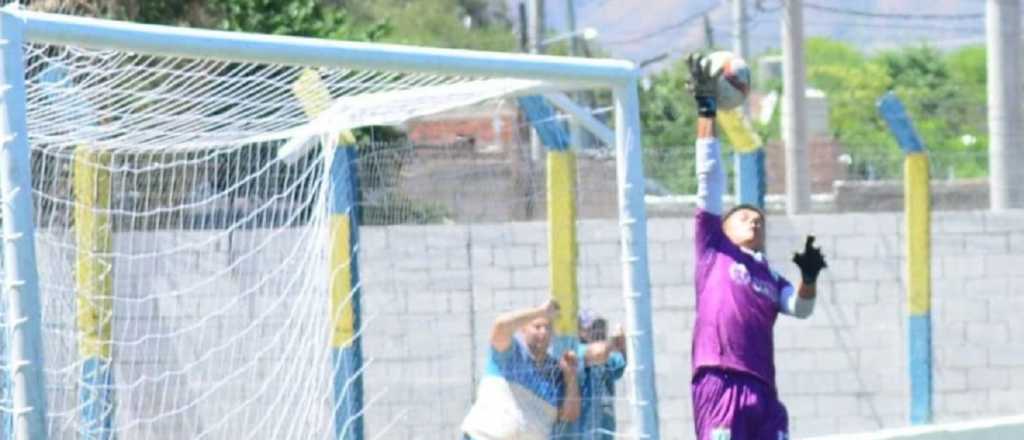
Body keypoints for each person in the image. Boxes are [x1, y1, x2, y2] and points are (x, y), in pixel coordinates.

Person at [685, 52, 829, 440]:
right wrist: (706, 106)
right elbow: (709, 176)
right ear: (723, 227)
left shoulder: (770, 275)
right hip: (720, 381)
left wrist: (809, 277)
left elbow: (800, 308)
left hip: (764, 392)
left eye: (760, 220)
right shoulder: (713, 249)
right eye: (744, 216)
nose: (755, 219)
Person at [461, 299, 581, 440]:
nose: (543, 332)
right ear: (523, 329)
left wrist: (570, 377)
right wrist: (541, 312)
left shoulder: (556, 373)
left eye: (548, 328)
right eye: (537, 326)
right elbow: (500, 325)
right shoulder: (509, 353)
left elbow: (570, 415)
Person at [573, 311, 626, 440]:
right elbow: (597, 353)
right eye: (593, 328)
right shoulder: (578, 349)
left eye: (601, 326)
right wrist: (614, 342)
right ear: (581, 331)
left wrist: (623, 344)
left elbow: (619, 365)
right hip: (583, 427)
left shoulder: (609, 354)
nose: (599, 331)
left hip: (605, 426)